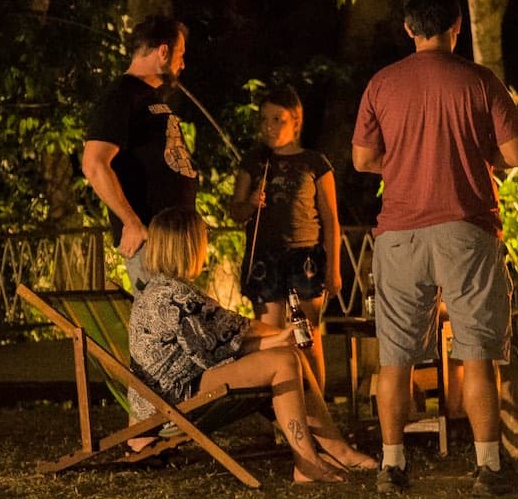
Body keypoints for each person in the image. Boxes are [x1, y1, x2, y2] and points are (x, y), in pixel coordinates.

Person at [352, 0, 518, 495]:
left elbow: (363, 159)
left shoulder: (382, 84)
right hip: (465, 228)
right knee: (476, 352)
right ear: (457, 26)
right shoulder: (479, 81)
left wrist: (405, 163)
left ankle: (392, 466)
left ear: (409, 28)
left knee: (395, 357)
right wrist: (481, 158)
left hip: (399, 233)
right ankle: (490, 467)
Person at [128, 206, 377, 483]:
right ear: (187, 246)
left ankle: (334, 449)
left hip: (171, 390)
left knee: (285, 355)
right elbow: (216, 349)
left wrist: (277, 339)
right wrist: (276, 341)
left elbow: (227, 327)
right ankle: (307, 463)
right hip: (171, 399)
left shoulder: (164, 288)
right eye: (202, 239)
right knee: (283, 361)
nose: (206, 245)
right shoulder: (175, 297)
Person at [228, 85, 341, 392]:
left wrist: (334, 268)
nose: (269, 126)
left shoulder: (315, 163)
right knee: (272, 335)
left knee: (308, 335)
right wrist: (250, 203)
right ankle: (280, 409)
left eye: (278, 119)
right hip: (265, 257)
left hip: (305, 256)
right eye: (264, 119)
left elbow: (330, 219)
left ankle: (316, 403)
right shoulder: (255, 163)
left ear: (296, 121)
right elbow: (235, 211)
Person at [83, 16, 199, 294]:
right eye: (179, 55)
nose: (181, 65)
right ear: (163, 52)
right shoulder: (121, 96)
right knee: (164, 324)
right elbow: (94, 164)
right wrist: (132, 222)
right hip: (152, 241)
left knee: (180, 325)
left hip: (174, 239)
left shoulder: (150, 98)